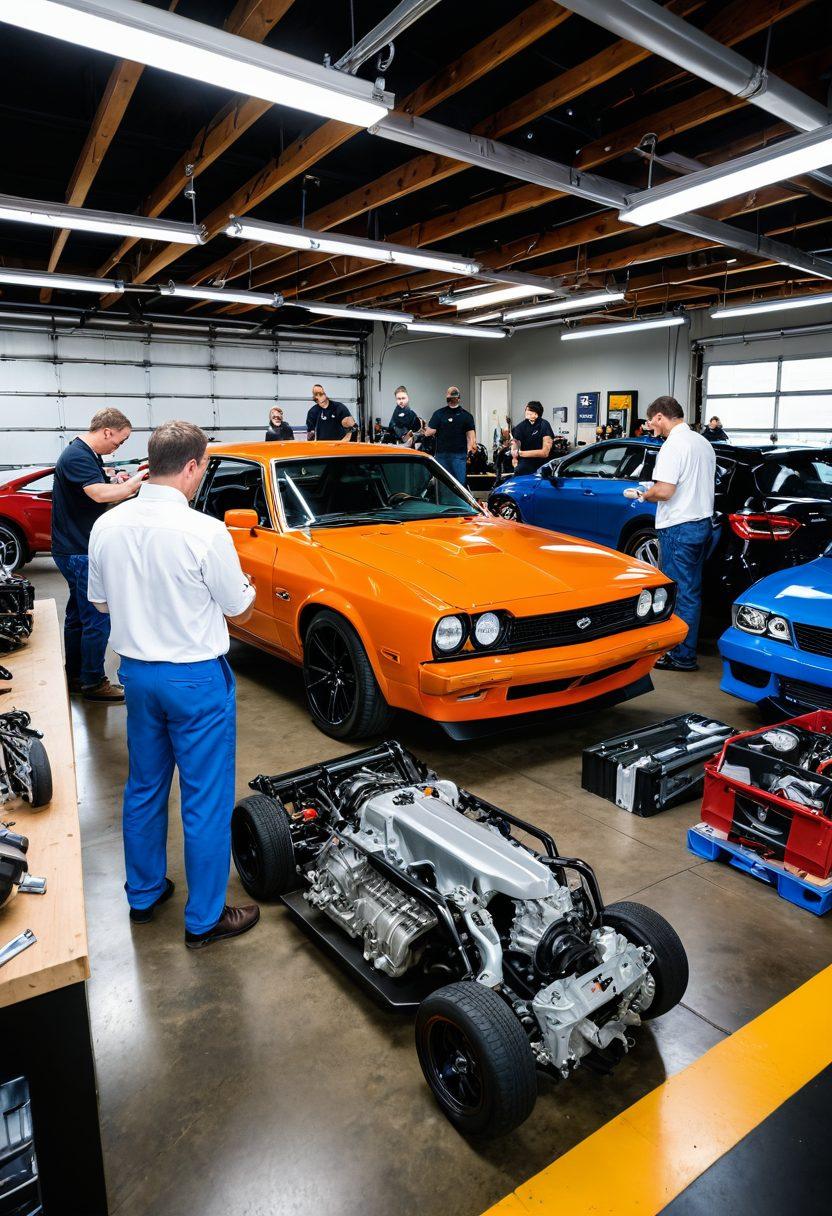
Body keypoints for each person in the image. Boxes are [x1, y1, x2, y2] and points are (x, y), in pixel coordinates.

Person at [87, 420, 259, 949]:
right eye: (202, 466)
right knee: (205, 799)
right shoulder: (205, 531)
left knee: (144, 786)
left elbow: (99, 603)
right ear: (191, 467)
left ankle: (143, 894)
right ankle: (204, 918)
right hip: (195, 680)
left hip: (137, 674)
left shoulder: (107, 526)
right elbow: (238, 606)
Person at [51, 408, 146, 702]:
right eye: (119, 441)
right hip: (79, 550)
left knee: (78, 616)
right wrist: (134, 484)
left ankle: (76, 676)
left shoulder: (85, 455)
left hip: (71, 547)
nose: (118, 447)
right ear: (107, 432)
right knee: (96, 616)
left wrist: (117, 480)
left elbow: (97, 486)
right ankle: (93, 681)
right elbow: (98, 495)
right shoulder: (78, 455)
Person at [625, 396, 715, 673]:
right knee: (692, 591)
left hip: (679, 526)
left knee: (681, 593)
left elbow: (664, 491)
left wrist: (643, 495)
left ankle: (681, 656)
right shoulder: (702, 442)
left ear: (661, 417)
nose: (650, 426)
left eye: (652, 421)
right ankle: (685, 650)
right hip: (702, 523)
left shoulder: (673, 445)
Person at [424, 386, 476, 485]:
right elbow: (471, 438)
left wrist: (469, 453)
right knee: (448, 484)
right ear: (459, 398)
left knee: (453, 485)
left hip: (457, 456)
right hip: (444, 455)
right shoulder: (466, 416)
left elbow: (428, 432)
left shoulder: (440, 414)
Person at [511, 401, 555, 475]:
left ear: (536, 413)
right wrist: (514, 455)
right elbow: (515, 446)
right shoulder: (520, 427)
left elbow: (545, 453)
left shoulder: (544, 424)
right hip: (526, 462)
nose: (526, 412)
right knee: (519, 470)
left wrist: (520, 453)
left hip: (543, 462)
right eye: (526, 410)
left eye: (530, 410)